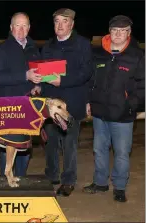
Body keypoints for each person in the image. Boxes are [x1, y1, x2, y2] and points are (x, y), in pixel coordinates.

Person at [28, 8, 92, 196]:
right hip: (50, 105)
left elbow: (86, 73)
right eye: (57, 21)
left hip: (72, 103)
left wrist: (62, 81)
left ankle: (68, 180)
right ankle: (51, 175)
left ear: (72, 24)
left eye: (65, 21)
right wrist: (39, 87)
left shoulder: (83, 44)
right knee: (51, 142)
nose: (60, 25)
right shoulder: (48, 46)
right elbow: (42, 72)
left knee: (69, 143)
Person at [83, 15, 145, 202]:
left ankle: (119, 186)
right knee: (99, 149)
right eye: (115, 30)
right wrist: (88, 101)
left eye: (123, 31)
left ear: (129, 33)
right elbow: (90, 81)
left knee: (121, 152)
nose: (118, 34)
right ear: (109, 32)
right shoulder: (98, 53)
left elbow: (143, 85)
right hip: (100, 112)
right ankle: (100, 183)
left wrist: (133, 106)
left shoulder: (137, 55)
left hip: (122, 114)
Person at [0, 12, 41, 176]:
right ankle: (5, 180)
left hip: (28, 106)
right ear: (11, 27)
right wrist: (24, 76)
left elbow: (38, 74)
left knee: (25, 144)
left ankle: (21, 179)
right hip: (8, 106)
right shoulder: (2, 49)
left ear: (29, 28)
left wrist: (37, 85)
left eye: (24, 26)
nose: (21, 30)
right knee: (8, 145)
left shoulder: (33, 48)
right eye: (17, 25)